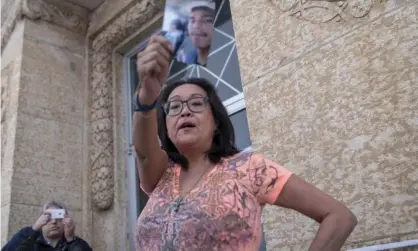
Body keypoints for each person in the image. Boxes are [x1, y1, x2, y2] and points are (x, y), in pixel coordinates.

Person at [133, 35, 358, 251]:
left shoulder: (250, 168)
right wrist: (147, 98)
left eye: (196, 103)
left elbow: (338, 216)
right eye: (174, 106)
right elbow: (144, 152)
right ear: (166, 126)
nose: (185, 112)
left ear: (216, 122)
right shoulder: (161, 174)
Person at [2, 200, 92, 251]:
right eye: (48, 217)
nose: (53, 222)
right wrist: (34, 229)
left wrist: (71, 239)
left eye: (58, 216)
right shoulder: (28, 236)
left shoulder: (74, 242)